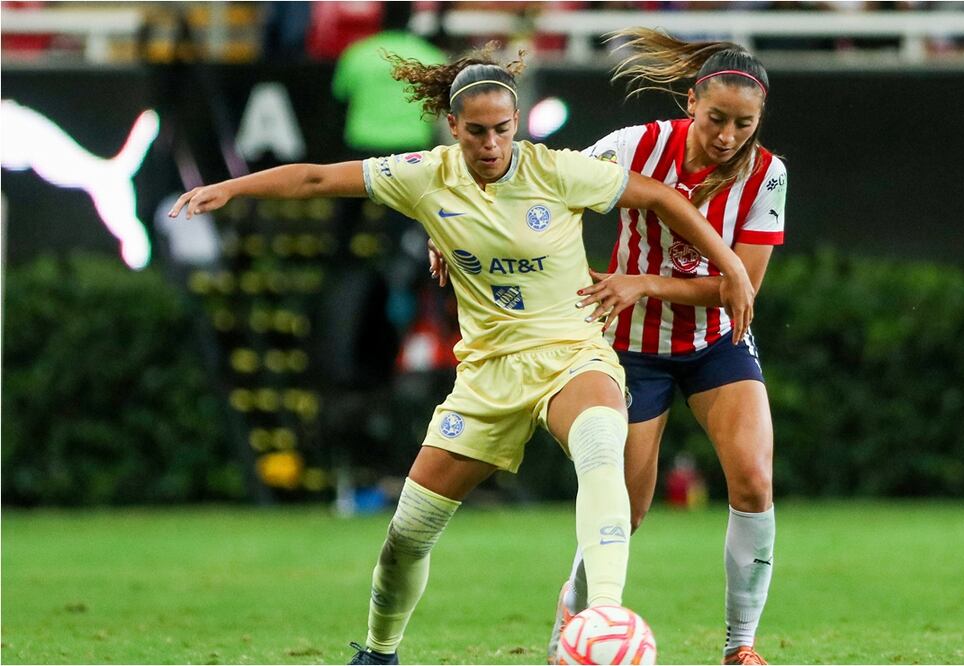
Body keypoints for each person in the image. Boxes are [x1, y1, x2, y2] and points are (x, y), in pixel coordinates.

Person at [169, 42, 757, 665]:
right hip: (485, 376)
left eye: (502, 129)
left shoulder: (556, 170)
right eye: (476, 132)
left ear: (516, 124)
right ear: (453, 127)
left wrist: (732, 272)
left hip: (571, 354)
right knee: (407, 535)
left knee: (602, 452)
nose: (491, 144)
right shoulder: (425, 176)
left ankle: (605, 617)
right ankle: (378, 651)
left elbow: (665, 199)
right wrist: (231, 188)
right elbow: (317, 176)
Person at [549, 29, 787, 666]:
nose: (728, 136)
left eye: (744, 123)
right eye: (717, 119)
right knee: (625, 510)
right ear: (690, 103)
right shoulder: (635, 146)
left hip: (717, 342)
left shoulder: (768, 175)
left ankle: (741, 647)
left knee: (755, 481)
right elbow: (546, 185)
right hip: (630, 347)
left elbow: (738, 290)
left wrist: (643, 282)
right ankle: (572, 625)